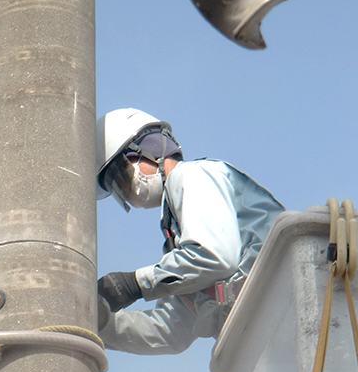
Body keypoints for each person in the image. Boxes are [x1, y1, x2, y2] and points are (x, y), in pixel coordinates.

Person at [95, 107, 285, 355]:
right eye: (117, 189)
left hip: (285, 301)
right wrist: (103, 324)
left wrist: (134, 283)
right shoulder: (177, 237)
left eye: (120, 177)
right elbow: (171, 329)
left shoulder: (193, 176)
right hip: (260, 335)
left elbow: (216, 256)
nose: (125, 189)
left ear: (148, 150)